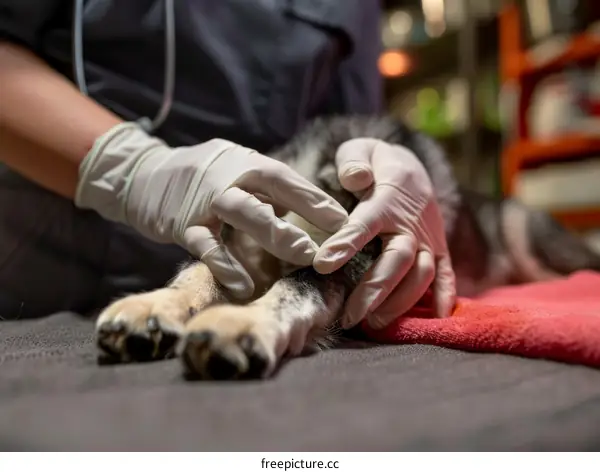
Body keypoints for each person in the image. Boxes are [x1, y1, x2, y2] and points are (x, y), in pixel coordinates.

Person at [0, 0, 455, 326]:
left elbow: (345, 127)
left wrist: (384, 164)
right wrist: (131, 170)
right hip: (37, 290)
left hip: (246, 298)